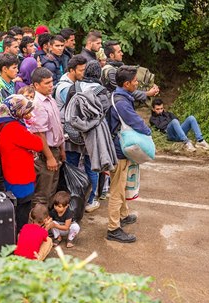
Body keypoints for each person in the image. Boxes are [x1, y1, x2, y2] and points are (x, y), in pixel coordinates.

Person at [106, 66, 151, 243]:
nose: (137, 83)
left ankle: (123, 215)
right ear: (126, 84)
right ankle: (113, 228)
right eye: (134, 81)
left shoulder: (119, 95)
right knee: (117, 189)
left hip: (118, 148)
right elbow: (136, 121)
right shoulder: (122, 102)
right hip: (119, 151)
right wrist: (147, 132)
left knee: (122, 184)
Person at [0, 95, 43, 233]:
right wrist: (33, 125)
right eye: (26, 111)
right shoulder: (14, 128)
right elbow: (38, 145)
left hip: (8, 172)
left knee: (13, 207)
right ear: (16, 111)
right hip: (21, 175)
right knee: (22, 209)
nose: (28, 114)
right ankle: (20, 237)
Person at [61, 60, 106, 212]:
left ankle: (72, 199)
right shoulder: (101, 91)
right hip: (91, 135)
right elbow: (103, 115)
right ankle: (90, 200)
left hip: (73, 133)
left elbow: (68, 109)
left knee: (72, 166)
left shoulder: (75, 87)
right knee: (92, 167)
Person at [29, 67, 65, 207]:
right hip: (46, 153)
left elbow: (57, 127)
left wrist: (61, 149)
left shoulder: (50, 99)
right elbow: (39, 134)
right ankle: (38, 225)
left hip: (55, 150)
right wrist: (49, 157)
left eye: (51, 82)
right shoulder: (37, 103)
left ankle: (46, 221)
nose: (51, 85)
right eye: (47, 83)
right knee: (42, 193)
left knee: (52, 190)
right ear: (36, 85)